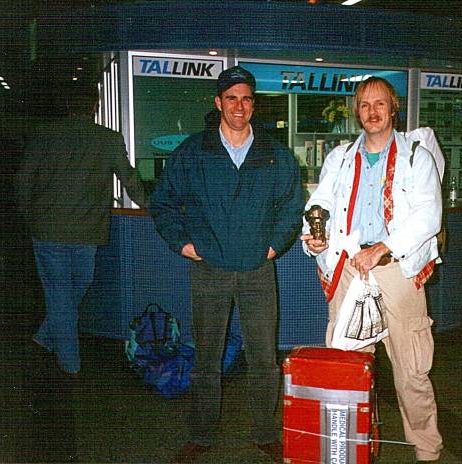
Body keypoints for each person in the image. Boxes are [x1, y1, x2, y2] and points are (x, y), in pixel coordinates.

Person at [149, 66, 303, 464]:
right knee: (207, 357)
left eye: (247, 99)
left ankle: (264, 432)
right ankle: (201, 433)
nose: (240, 106)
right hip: (210, 270)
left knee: (264, 358)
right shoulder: (194, 151)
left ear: (254, 104)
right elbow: (163, 201)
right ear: (218, 103)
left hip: (256, 270)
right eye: (231, 98)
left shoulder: (274, 153)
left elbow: (292, 205)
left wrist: (274, 245)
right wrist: (183, 244)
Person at [301, 76, 443, 463]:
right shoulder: (341, 157)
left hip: (396, 269)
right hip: (351, 269)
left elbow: (428, 216)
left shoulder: (417, 156)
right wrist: (315, 235)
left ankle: (427, 449)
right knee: (347, 365)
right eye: (364, 105)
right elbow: (322, 203)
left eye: (379, 104)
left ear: (393, 107)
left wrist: (383, 247)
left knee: (411, 370)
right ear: (356, 111)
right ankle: (348, 447)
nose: (372, 112)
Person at [16, 84, 150, 375]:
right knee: (73, 289)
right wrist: (150, 206)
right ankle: (71, 365)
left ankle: (45, 337)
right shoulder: (108, 139)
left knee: (61, 295)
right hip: (88, 232)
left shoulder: (43, 135)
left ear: (67, 106)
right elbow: (130, 179)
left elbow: (24, 181)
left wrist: (29, 217)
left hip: (48, 231)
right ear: (95, 107)